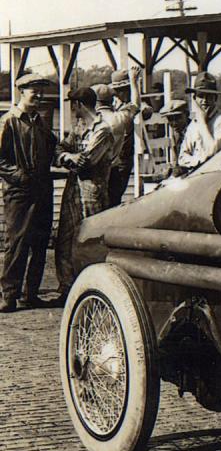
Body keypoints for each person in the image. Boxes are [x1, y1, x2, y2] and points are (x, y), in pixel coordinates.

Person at [0, 74, 57, 311]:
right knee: (17, 242)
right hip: (19, 193)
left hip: (42, 189)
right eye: (35, 91)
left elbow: (55, 148)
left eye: (42, 91)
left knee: (40, 242)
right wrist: (20, 176)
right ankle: (9, 295)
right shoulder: (9, 121)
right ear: (21, 91)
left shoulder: (41, 122)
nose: (40, 96)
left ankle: (30, 293)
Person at [54, 87, 116, 300]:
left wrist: (70, 158)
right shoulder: (79, 127)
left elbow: (86, 162)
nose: (72, 110)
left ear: (79, 104)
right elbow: (60, 150)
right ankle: (66, 290)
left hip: (92, 193)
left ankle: (93, 289)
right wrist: (67, 157)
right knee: (64, 240)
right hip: (73, 192)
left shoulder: (102, 130)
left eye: (73, 105)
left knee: (90, 241)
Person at [177, 72, 221, 174]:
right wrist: (197, 161)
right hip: (196, 174)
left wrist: (203, 124)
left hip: (219, 174)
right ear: (195, 98)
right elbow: (182, 157)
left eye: (209, 96)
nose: (204, 100)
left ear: (215, 98)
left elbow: (212, 152)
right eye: (200, 96)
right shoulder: (193, 125)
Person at [105, 66, 144, 207]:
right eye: (123, 90)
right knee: (113, 196)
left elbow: (139, 106)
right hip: (118, 157)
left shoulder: (117, 108)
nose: (126, 93)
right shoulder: (119, 110)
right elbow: (136, 105)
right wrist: (134, 83)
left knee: (114, 195)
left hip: (121, 157)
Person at [160, 99, 190, 177]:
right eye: (170, 119)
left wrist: (182, 169)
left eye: (178, 118)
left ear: (187, 114)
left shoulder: (195, 130)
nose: (174, 123)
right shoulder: (176, 133)